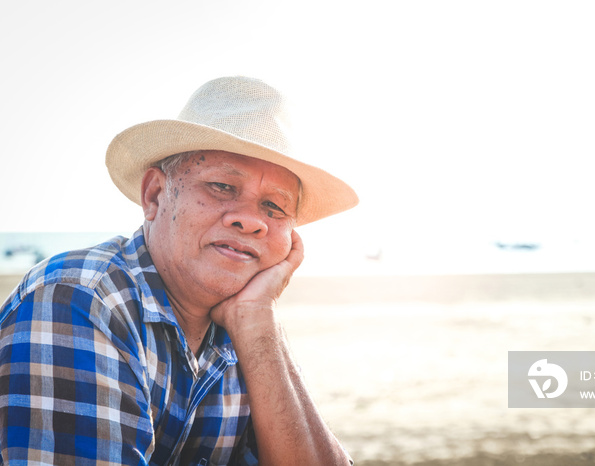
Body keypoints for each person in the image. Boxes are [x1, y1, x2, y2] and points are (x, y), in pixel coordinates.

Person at [0, 77, 358, 465]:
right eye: (222, 186)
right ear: (154, 194)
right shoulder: (80, 298)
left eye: (274, 206)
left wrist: (259, 321)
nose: (251, 221)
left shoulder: (246, 330)